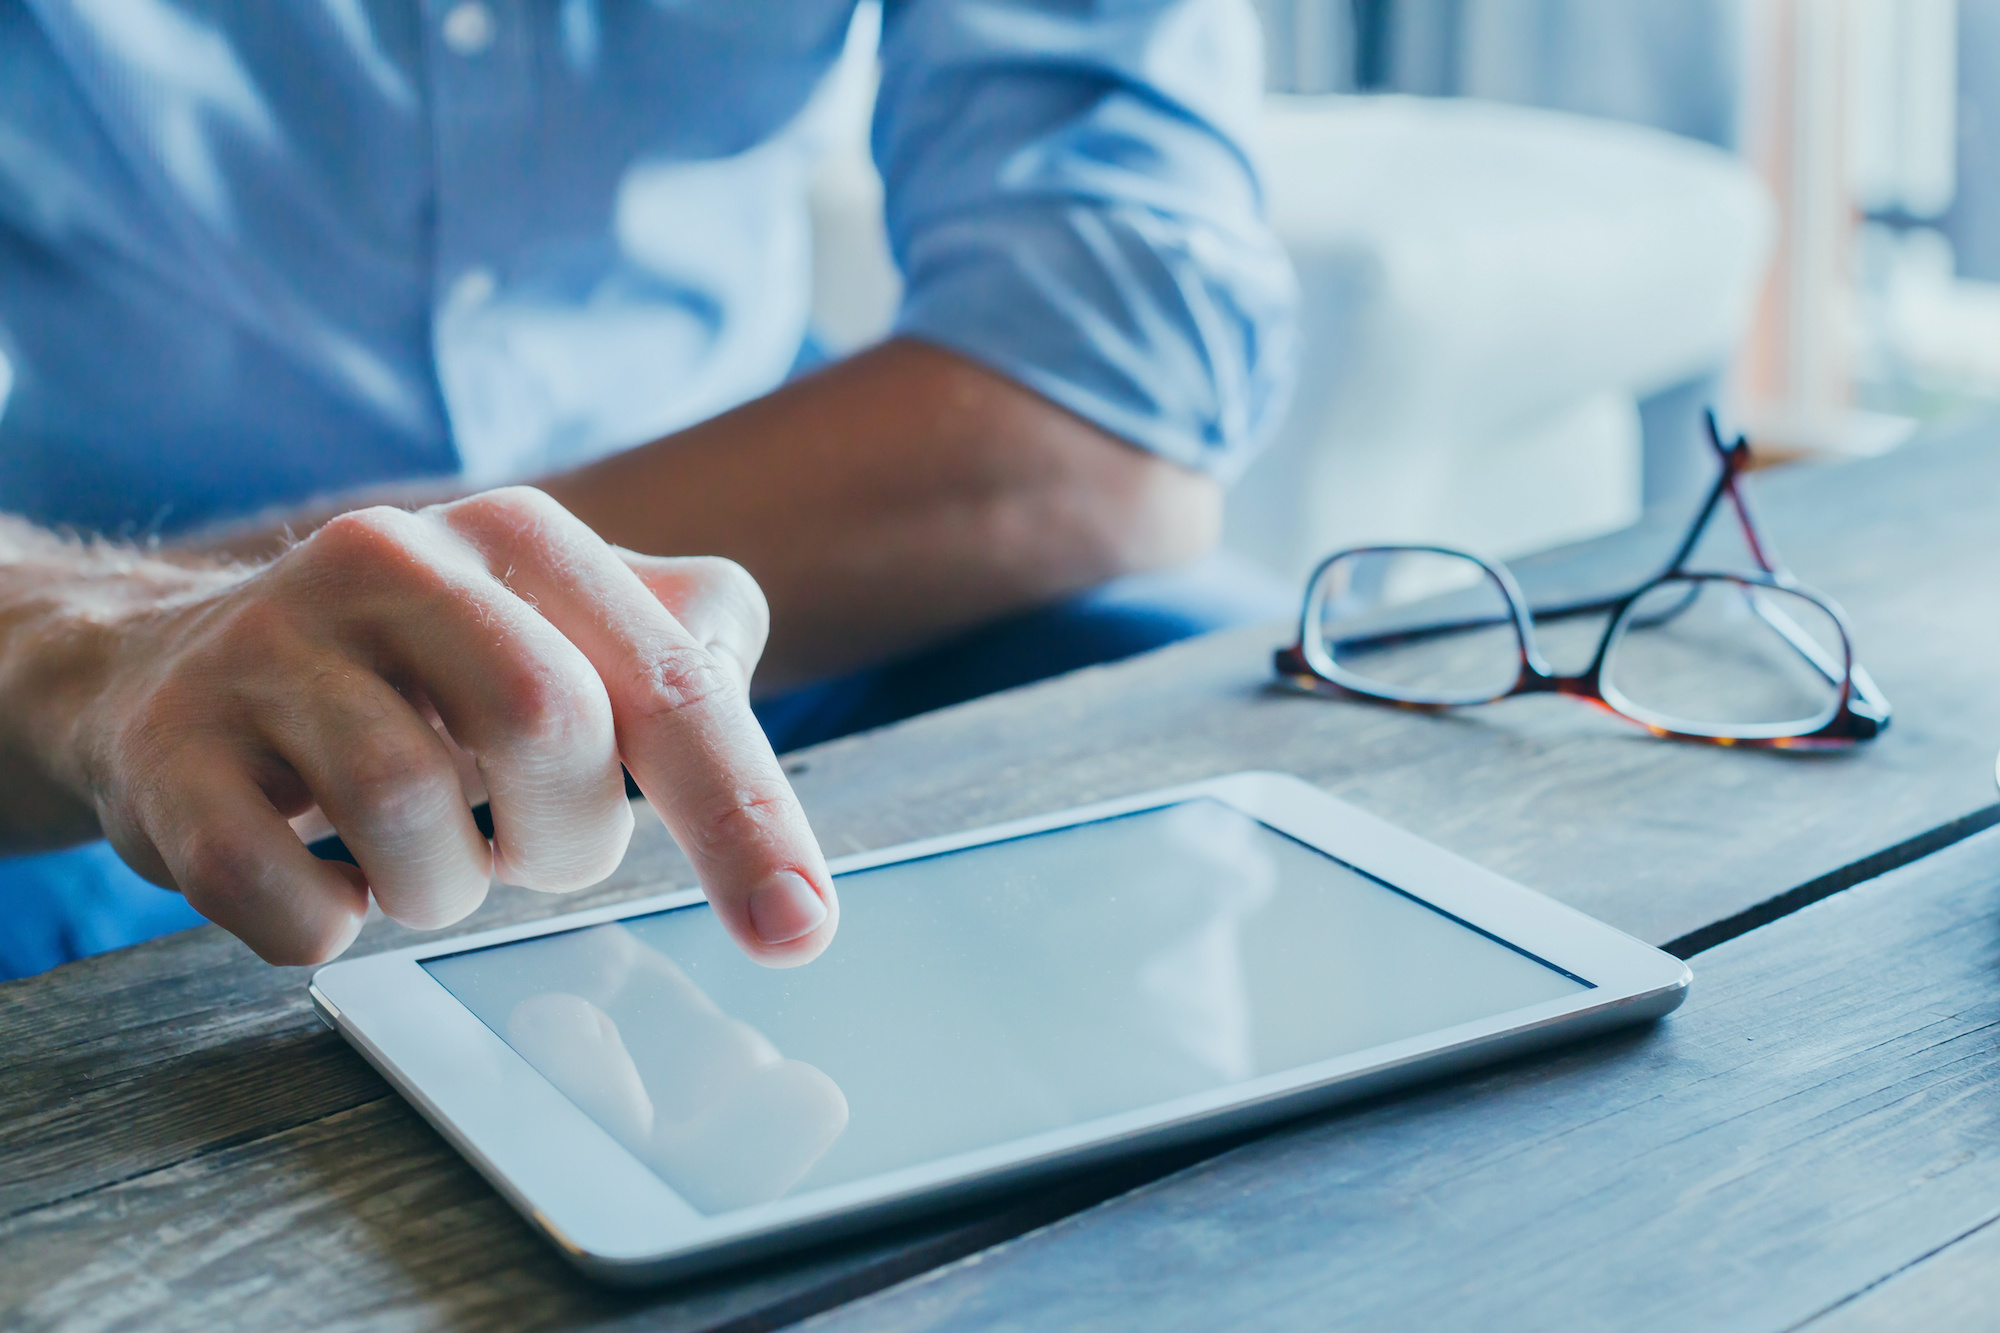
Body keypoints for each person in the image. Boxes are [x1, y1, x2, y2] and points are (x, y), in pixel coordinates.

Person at [0, 0, 1296, 979]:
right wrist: (96, 642)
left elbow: (1113, 384)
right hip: (139, 678)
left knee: (1232, 699)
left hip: (810, 597)